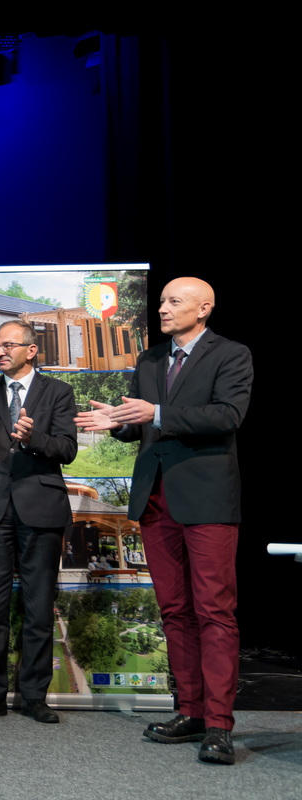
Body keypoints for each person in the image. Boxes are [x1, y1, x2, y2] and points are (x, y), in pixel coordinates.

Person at [75, 277, 251, 765]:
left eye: (175, 302)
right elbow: (142, 426)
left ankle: (219, 724)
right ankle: (191, 710)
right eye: (161, 302)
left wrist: (156, 413)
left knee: (215, 611)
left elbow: (227, 415)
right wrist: (120, 422)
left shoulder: (231, 355)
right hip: (155, 502)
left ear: (205, 308)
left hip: (207, 500)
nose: (163, 309)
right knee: (174, 612)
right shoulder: (151, 359)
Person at [0, 321, 77, 724]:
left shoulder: (58, 392)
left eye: (8, 345)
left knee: (38, 606)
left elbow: (68, 449)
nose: (0, 351)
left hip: (40, 508)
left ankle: (34, 696)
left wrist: (33, 439)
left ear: (31, 350)